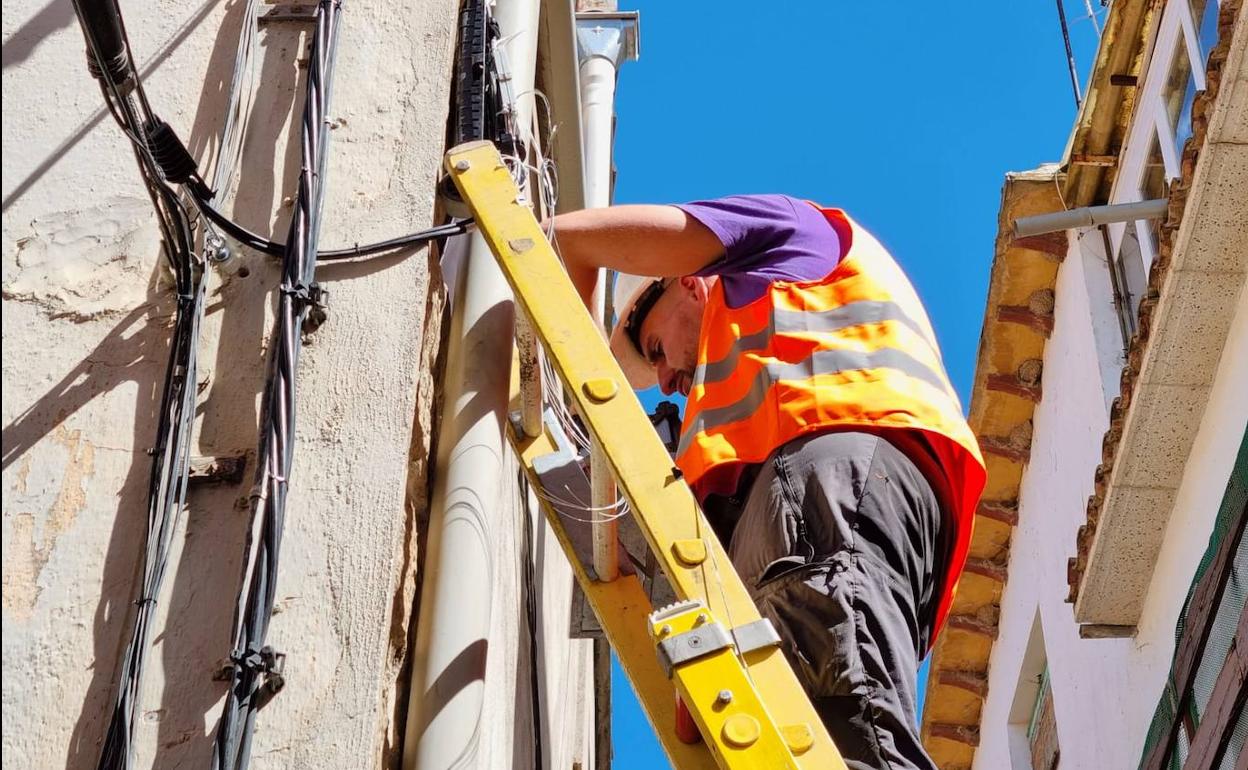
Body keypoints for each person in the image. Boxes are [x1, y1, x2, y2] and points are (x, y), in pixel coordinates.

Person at [549, 195, 986, 770]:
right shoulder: (744, 393)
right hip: (858, 499)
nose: (664, 379)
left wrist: (572, 398)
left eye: (654, 347)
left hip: (829, 481)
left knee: (849, 739)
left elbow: (569, 238)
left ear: (687, 281)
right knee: (825, 734)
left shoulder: (791, 233)